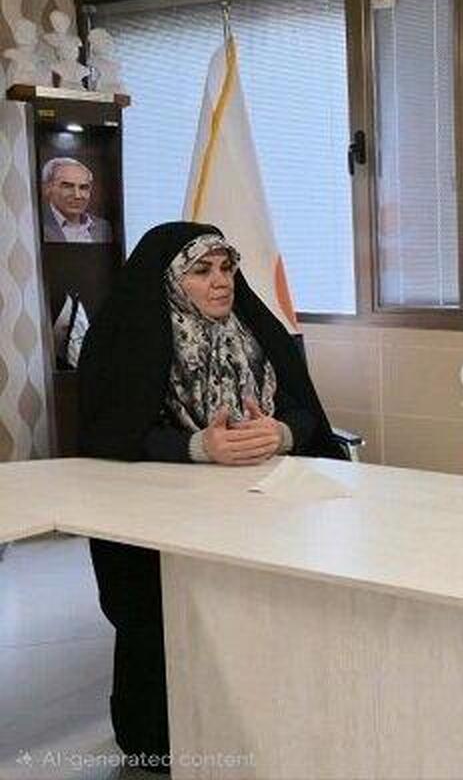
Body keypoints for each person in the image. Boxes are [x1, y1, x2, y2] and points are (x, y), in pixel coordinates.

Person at [76, 221, 344, 771]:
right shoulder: (128, 336)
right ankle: (158, 744)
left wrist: (280, 433)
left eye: (226, 268)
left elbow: (305, 412)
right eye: (201, 271)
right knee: (170, 625)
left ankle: (264, 734)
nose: (221, 282)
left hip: (263, 507)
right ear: (170, 279)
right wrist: (198, 446)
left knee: (262, 618)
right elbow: (110, 434)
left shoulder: (256, 330)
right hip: (165, 514)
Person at [40, 157, 112, 243]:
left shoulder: (103, 227)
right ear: (47, 188)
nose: (77, 196)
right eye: (67, 186)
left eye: (83, 187)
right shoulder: (36, 225)